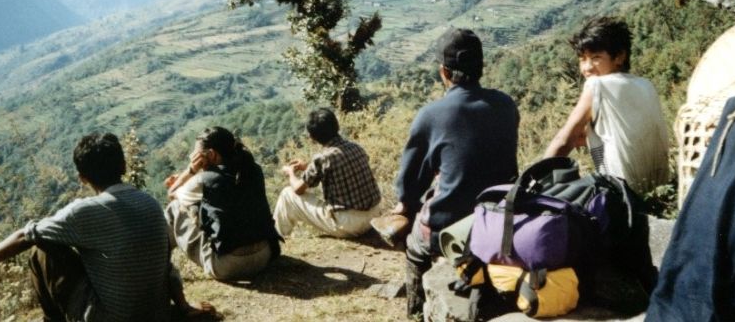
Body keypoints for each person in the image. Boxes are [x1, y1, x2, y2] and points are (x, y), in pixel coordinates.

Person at [0, 132, 210, 321]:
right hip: (157, 315)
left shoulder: (85, 210)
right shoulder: (150, 202)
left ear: (82, 178)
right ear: (123, 166)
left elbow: (25, 234)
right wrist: (183, 306)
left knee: (43, 249)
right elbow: (165, 262)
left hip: (111, 318)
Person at [391, 28, 520, 318]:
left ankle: (416, 313)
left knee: (414, 244)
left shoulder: (432, 114)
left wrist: (405, 203)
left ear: (443, 72)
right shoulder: (505, 104)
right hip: (499, 221)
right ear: (481, 67)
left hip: (450, 230)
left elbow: (409, 185)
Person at [544, 16, 670, 194]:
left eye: (595, 58)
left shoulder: (597, 85)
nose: (586, 68)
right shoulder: (645, 84)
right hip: (660, 187)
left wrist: (532, 180)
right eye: (582, 59)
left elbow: (563, 141)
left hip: (621, 192)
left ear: (619, 56)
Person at [164, 126, 282, 281]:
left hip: (229, 266)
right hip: (264, 256)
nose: (193, 157)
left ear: (211, 154)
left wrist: (191, 170)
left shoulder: (203, 180)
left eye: (196, 154)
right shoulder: (254, 170)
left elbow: (172, 194)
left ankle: (162, 268)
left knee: (175, 208)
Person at [273, 108, 383, 238]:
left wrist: (290, 172)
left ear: (312, 137)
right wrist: (307, 167)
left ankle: (276, 238)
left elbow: (298, 189)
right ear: (336, 125)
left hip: (350, 224)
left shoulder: (322, 158)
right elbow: (341, 167)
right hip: (374, 217)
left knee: (287, 194)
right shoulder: (356, 147)